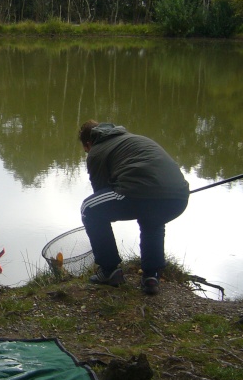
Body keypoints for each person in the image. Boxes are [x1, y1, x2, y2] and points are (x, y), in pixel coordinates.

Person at [78, 120, 189, 294]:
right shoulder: (133, 139)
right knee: (152, 218)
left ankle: (109, 270)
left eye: (86, 150)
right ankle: (151, 276)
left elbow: (100, 194)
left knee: (89, 209)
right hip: (178, 197)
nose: (87, 153)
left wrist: (105, 218)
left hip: (139, 192)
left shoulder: (96, 152)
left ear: (88, 144)